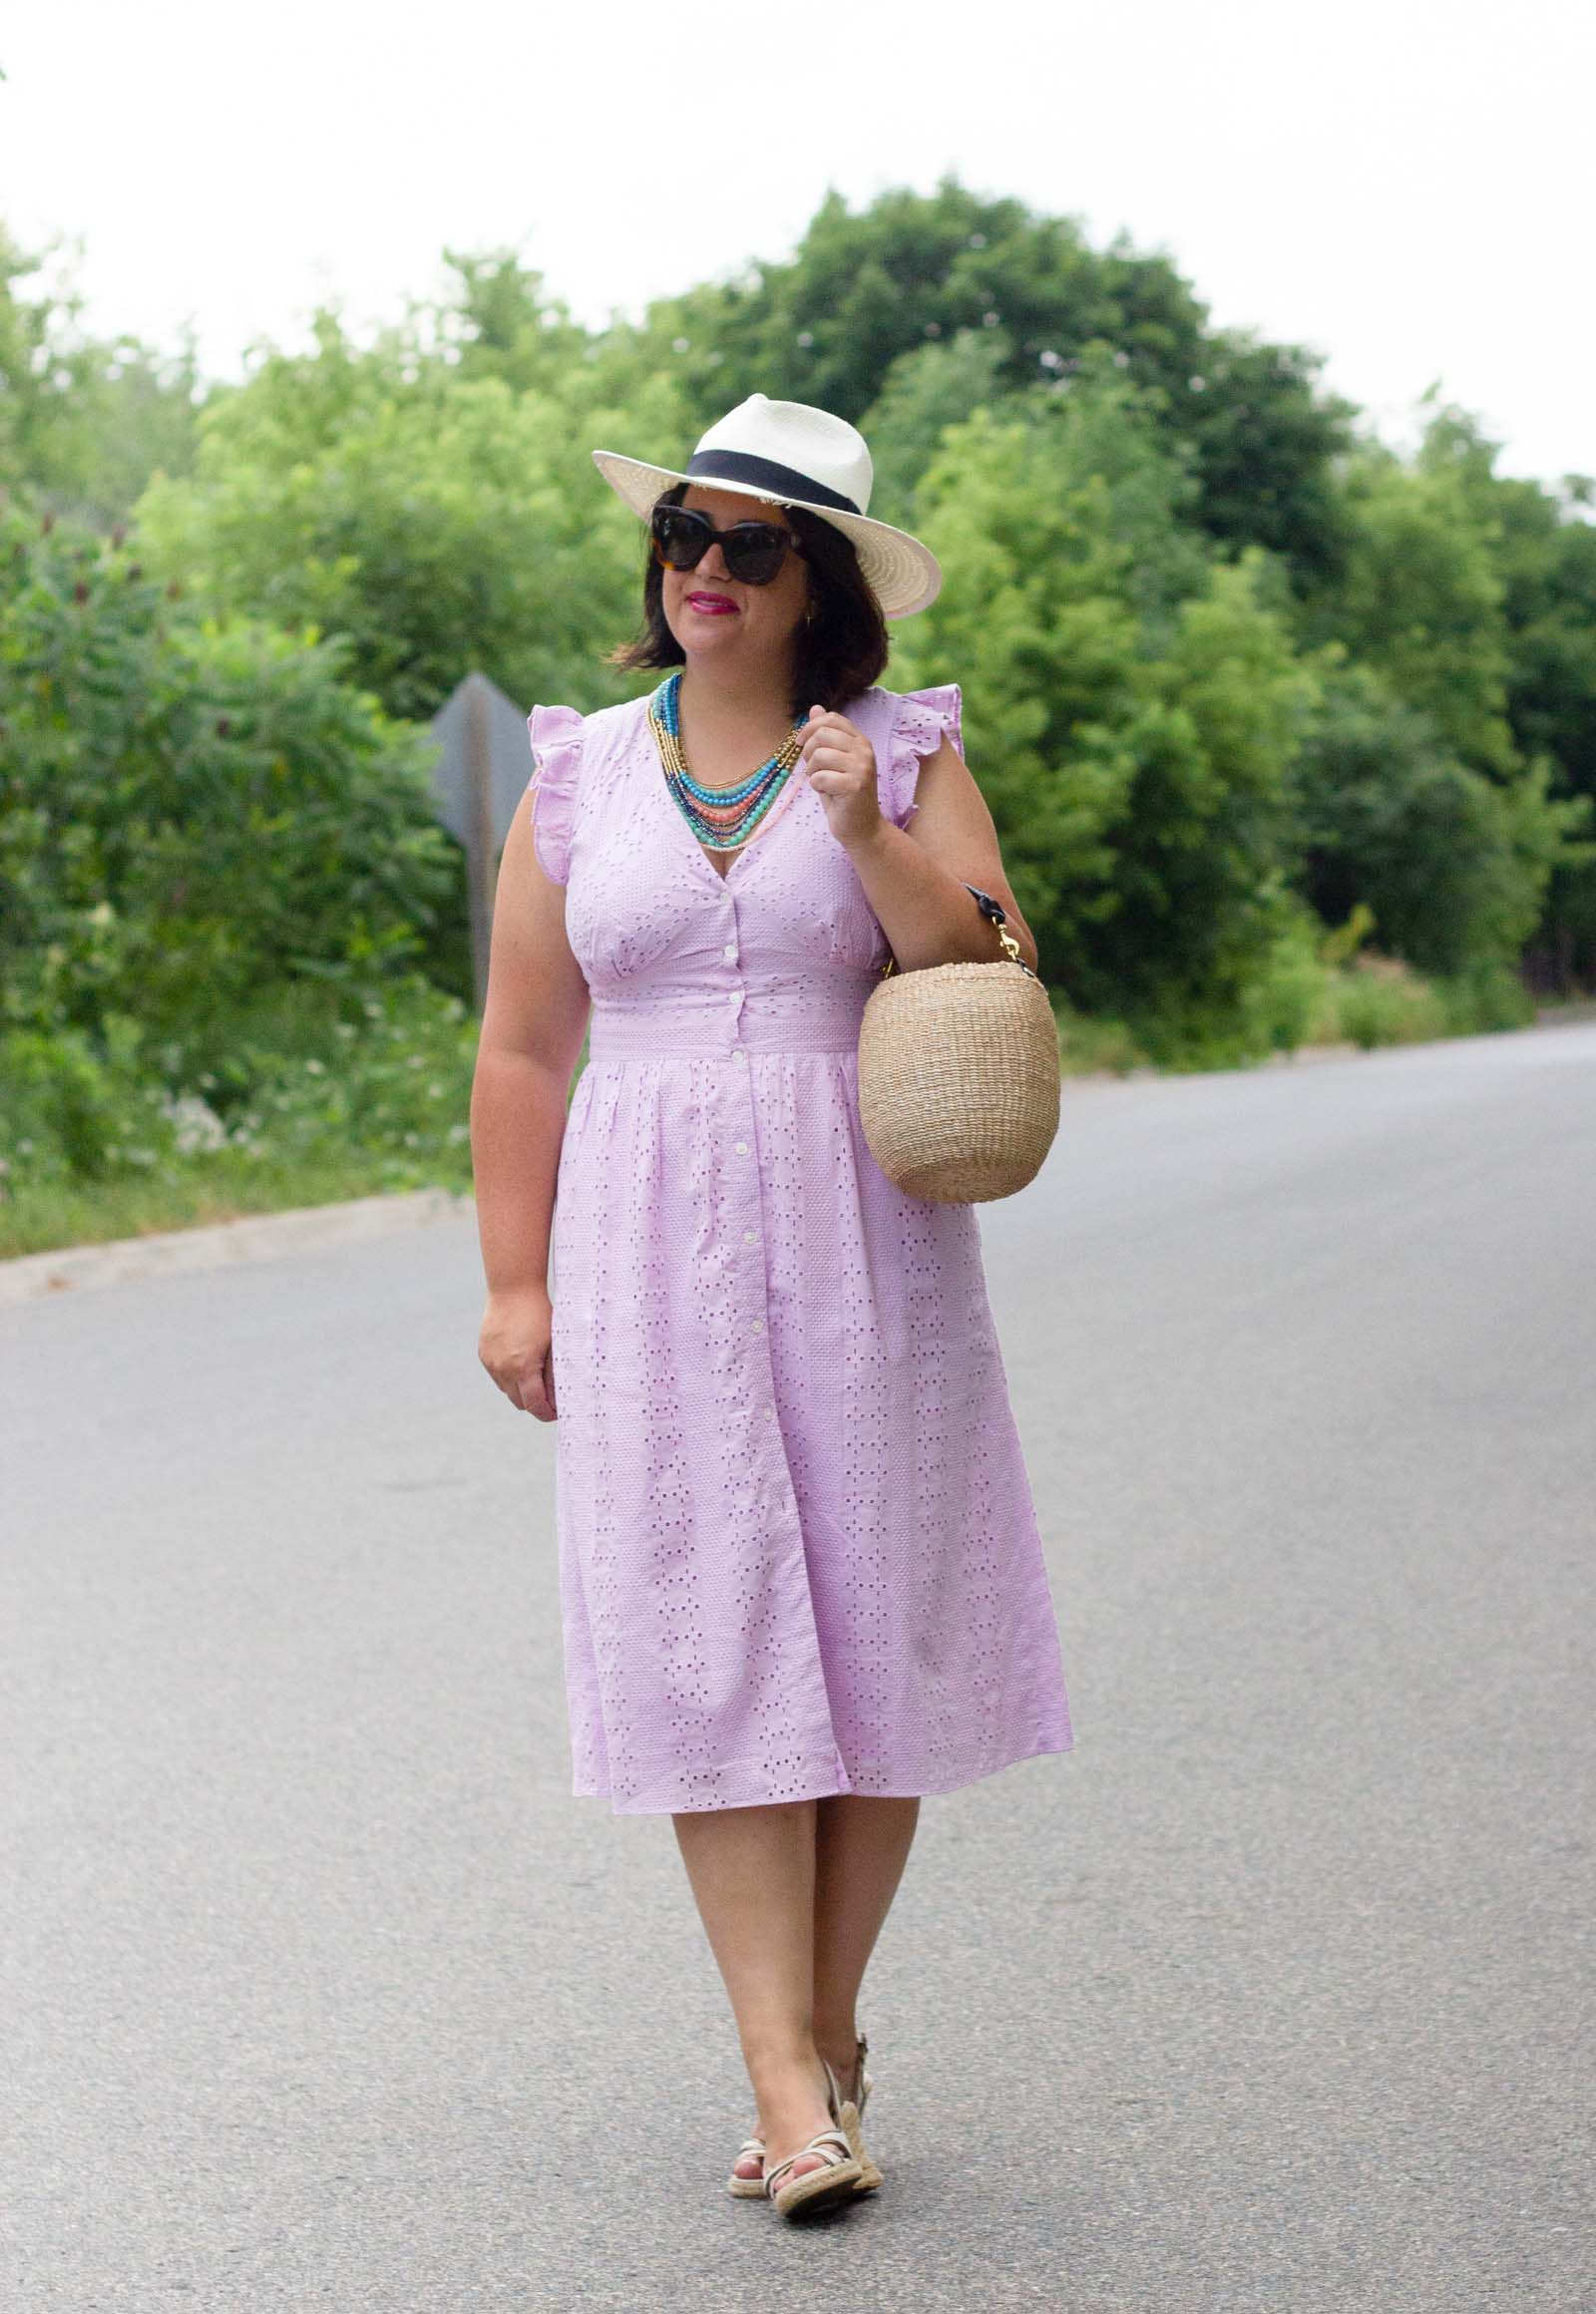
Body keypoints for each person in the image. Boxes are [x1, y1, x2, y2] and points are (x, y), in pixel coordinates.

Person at [471, 393, 1073, 2220]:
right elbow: (521, 1041)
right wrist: (512, 1277)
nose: (706, 571)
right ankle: (784, 2083)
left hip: (863, 1224)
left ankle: (824, 2037)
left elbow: (986, 963)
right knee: (705, 1631)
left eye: (750, 544)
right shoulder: (579, 771)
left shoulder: (900, 745)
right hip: (643, 1236)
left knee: (874, 1618)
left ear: (820, 581)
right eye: (684, 537)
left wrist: (869, 829)